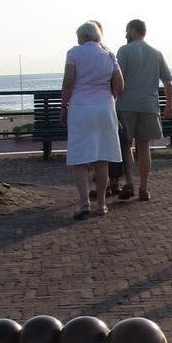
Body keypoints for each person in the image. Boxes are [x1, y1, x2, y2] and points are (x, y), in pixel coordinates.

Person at [60, 22, 124, 219]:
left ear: (81, 37)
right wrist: (109, 97)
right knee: (102, 157)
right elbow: (119, 83)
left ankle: (83, 202)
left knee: (80, 157)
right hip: (104, 107)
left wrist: (64, 107)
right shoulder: (109, 55)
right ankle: (102, 204)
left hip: (81, 107)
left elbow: (69, 82)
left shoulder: (74, 53)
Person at [115, 19, 172, 202]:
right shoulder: (156, 53)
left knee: (126, 145)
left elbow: (118, 79)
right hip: (149, 106)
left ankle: (129, 183)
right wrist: (169, 106)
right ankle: (144, 187)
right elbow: (168, 82)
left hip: (127, 105)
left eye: (127, 31)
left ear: (132, 31)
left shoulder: (124, 51)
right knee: (144, 147)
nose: (126, 34)